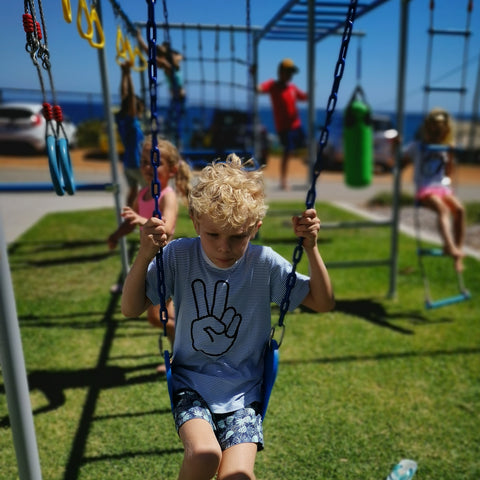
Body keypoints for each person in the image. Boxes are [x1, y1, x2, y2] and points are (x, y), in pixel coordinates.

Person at [121, 154, 334, 479]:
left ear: (255, 228)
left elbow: (322, 302)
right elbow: (130, 307)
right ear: (195, 220)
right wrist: (145, 255)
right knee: (205, 455)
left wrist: (312, 249)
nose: (224, 247)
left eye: (237, 237)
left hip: (245, 393)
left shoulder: (264, 263)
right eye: (213, 235)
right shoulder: (179, 255)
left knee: (238, 476)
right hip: (190, 384)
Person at [108, 138, 192, 371]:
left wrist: (142, 221)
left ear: (172, 170)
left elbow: (166, 226)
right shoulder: (144, 194)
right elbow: (130, 222)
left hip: (166, 263)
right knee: (164, 316)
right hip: (150, 263)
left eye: (155, 163)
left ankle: (188, 347)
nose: (148, 168)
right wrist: (117, 234)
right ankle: (183, 355)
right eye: (145, 162)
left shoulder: (167, 196)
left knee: (158, 317)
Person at [403, 107, 466, 271]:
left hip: (442, 187)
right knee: (443, 209)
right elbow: (400, 161)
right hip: (425, 189)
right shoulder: (417, 146)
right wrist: (395, 147)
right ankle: (449, 246)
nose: (438, 133)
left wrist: (451, 156)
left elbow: (448, 173)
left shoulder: (445, 149)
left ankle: (457, 251)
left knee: (459, 210)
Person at [258, 58, 308, 191]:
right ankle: (284, 180)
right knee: (287, 152)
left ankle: (309, 171)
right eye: (288, 72)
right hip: (284, 128)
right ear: (281, 72)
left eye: (291, 73)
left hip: (296, 125)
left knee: (306, 147)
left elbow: (303, 97)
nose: (290, 75)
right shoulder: (273, 85)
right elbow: (260, 88)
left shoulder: (292, 88)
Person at [137, 31, 186, 142]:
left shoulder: (170, 65)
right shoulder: (169, 65)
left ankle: (175, 146)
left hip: (179, 100)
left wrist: (141, 40)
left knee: (174, 128)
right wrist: (140, 40)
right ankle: (174, 145)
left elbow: (153, 56)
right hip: (177, 100)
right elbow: (152, 55)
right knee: (172, 128)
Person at [115, 60, 146, 208]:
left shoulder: (122, 119)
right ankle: (146, 217)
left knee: (133, 191)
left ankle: (128, 219)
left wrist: (124, 73)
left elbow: (124, 96)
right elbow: (130, 97)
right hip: (137, 163)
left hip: (128, 163)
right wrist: (129, 74)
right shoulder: (132, 122)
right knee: (149, 192)